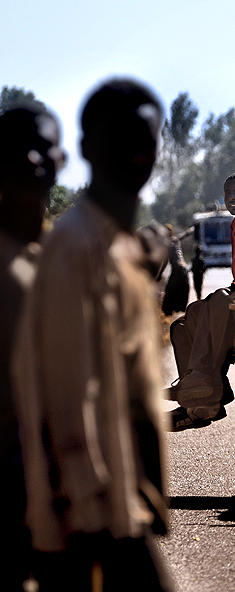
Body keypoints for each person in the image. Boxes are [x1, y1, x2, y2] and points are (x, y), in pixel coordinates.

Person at [13, 77, 174, 590]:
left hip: (123, 505)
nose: (135, 153)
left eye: (145, 141)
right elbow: (65, 397)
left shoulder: (119, 251)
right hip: (92, 519)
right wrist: (89, 519)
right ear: (85, 149)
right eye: (118, 139)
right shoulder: (74, 249)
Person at [0, 101, 66, 592]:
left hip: (62, 482)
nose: (33, 160)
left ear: (62, 161)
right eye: (18, 149)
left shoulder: (70, 262)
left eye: (44, 148)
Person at [168, 171, 235, 430]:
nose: (231, 198)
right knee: (182, 324)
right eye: (228, 193)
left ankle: (208, 390)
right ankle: (195, 398)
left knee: (219, 299)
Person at [161, 224, 190, 315]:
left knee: (169, 293)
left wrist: (159, 274)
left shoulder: (166, 243)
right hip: (184, 269)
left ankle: (168, 315)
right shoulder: (176, 240)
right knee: (180, 293)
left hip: (177, 269)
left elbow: (165, 261)